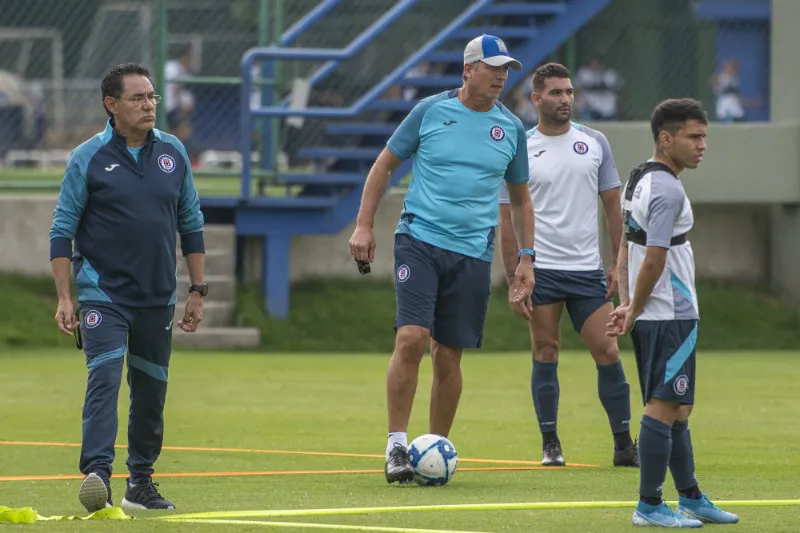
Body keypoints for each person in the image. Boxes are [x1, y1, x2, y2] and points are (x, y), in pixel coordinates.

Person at [348, 34, 536, 484]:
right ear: (468, 70)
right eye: (493, 67)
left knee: (449, 356)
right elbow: (384, 165)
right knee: (412, 338)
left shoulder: (511, 129)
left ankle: (435, 450)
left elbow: (521, 200)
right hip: (419, 238)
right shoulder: (430, 111)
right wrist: (363, 225)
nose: (501, 76)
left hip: (473, 251)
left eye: (506, 69)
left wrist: (526, 259)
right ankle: (396, 446)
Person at [49, 63, 207, 512]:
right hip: (104, 294)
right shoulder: (88, 157)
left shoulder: (173, 152)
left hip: (158, 296)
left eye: (152, 96)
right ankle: (97, 475)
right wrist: (65, 297)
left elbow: (191, 223)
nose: (149, 105)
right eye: (138, 98)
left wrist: (197, 289)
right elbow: (62, 230)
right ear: (111, 105)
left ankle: (140, 484)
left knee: (151, 392)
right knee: (103, 378)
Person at [607, 98, 739, 527]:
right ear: (666, 139)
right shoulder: (667, 189)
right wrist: (633, 307)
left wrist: (627, 303)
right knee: (664, 406)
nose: (702, 145)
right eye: (693, 137)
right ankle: (648, 505)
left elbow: (625, 246)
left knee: (678, 407)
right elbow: (653, 258)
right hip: (670, 314)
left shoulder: (638, 178)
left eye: (704, 136)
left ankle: (691, 497)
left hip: (654, 313)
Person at [498, 63, 638, 468]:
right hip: (540, 270)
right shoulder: (520, 147)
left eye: (569, 92)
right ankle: (550, 443)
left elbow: (613, 208)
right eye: (556, 93)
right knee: (545, 350)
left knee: (607, 350)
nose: (566, 99)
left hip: (586, 270)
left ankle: (623, 445)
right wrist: (513, 276)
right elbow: (507, 216)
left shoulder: (594, 142)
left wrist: (618, 265)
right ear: (535, 99)